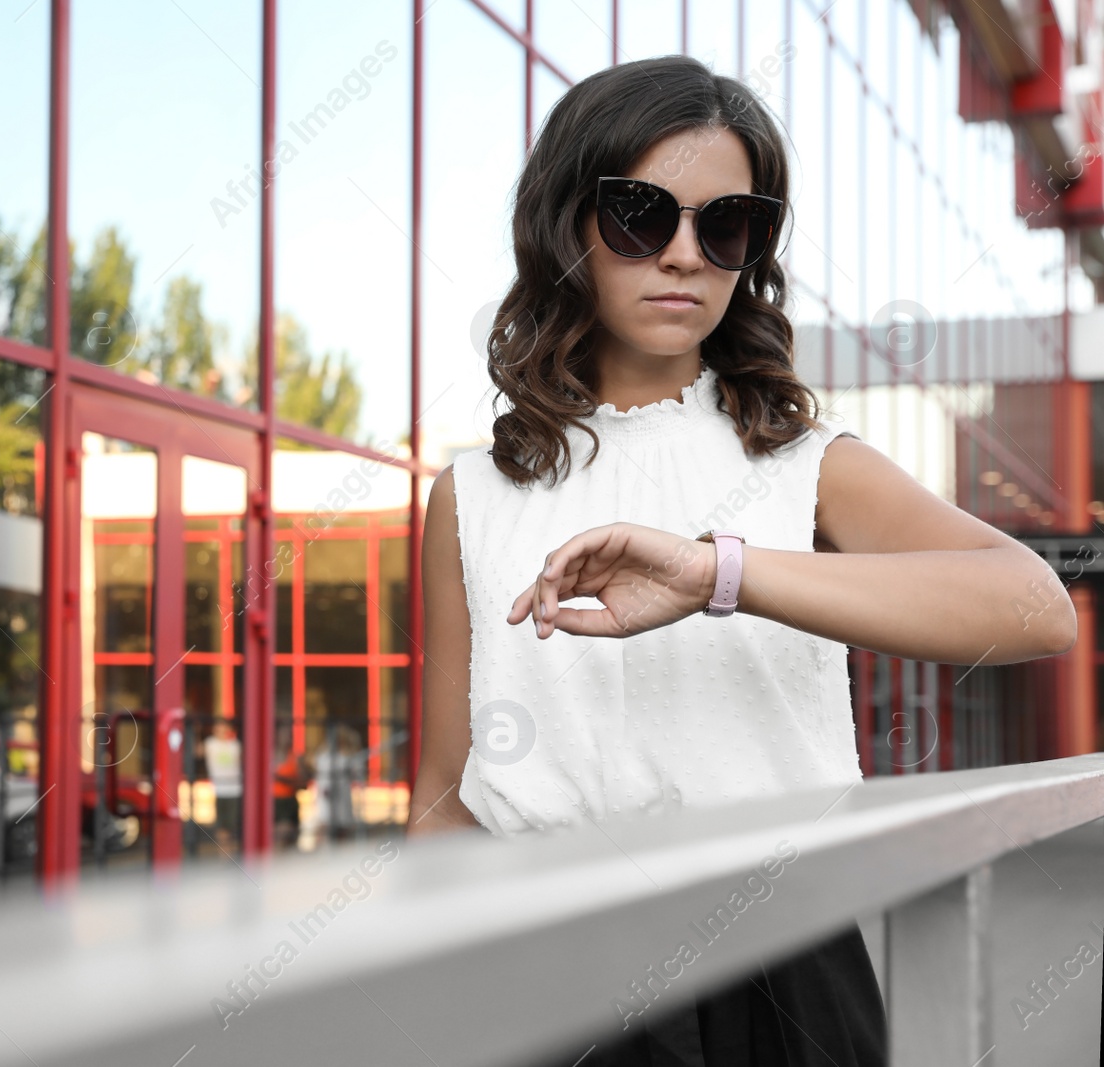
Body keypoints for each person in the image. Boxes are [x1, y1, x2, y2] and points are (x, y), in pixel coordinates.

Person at [406, 55, 1075, 1067]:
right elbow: (441, 795)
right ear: (564, 225)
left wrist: (718, 572)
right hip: (547, 970)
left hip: (780, 966)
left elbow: (1034, 608)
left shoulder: (804, 463)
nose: (682, 253)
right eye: (639, 214)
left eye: (725, 223)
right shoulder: (473, 493)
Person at [203, 718, 242, 848]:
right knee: (220, 824)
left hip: (235, 788)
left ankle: (229, 852)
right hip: (218, 788)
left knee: (232, 823)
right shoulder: (209, 744)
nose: (221, 730)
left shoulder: (235, 745)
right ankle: (224, 853)